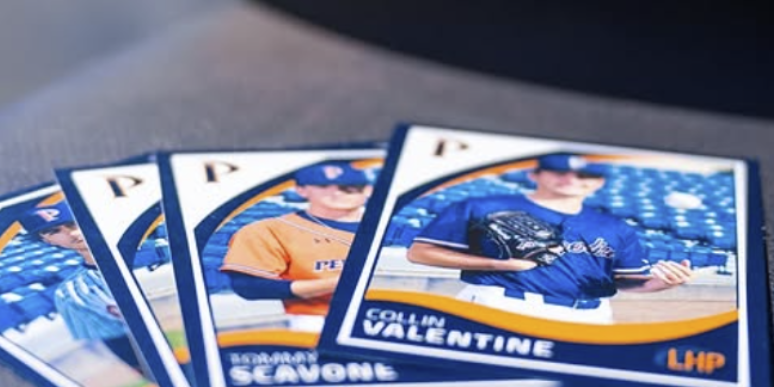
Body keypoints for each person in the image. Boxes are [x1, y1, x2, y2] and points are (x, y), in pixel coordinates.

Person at [406, 153, 693, 323]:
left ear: (599, 182)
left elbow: (626, 283)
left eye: (584, 174)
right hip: (499, 304)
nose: (570, 179)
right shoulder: (481, 207)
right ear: (535, 174)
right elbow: (419, 253)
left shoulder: (615, 228)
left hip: (589, 317)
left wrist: (661, 284)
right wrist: (499, 265)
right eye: (559, 171)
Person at [219, 161, 374, 329]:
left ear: (368, 190)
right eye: (323, 186)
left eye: (349, 187)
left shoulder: (392, 228)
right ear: (301, 190)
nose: (336, 193)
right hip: (318, 319)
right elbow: (248, 286)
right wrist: (334, 284)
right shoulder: (268, 230)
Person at [18, 203, 139, 368]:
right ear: (46, 240)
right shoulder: (70, 293)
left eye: (74, 223)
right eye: (54, 231)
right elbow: (119, 349)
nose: (73, 233)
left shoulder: (156, 251)